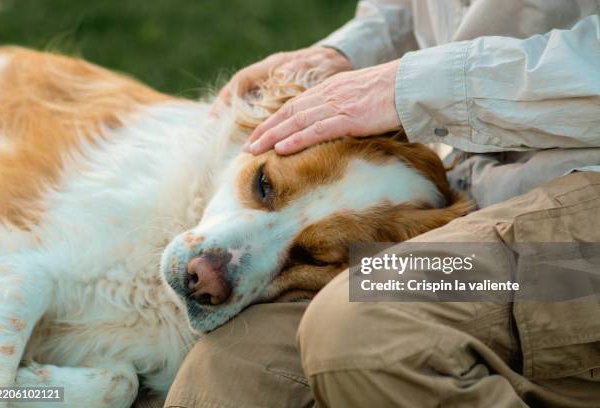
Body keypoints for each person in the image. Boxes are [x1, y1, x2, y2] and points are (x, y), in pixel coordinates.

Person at [166, 1, 600, 407]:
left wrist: (415, 87)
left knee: (360, 332)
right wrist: (352, 52)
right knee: (233, 367)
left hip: (578, 223)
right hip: (470, 183)